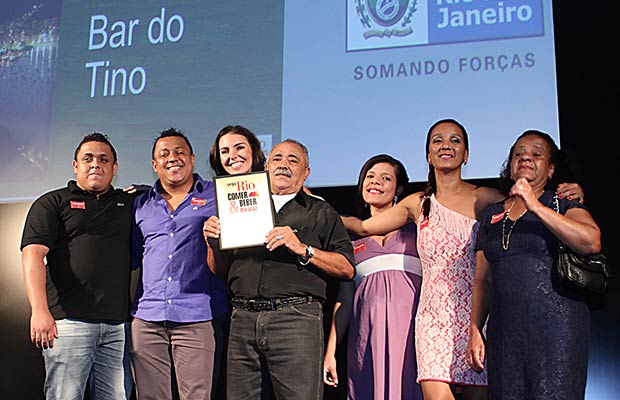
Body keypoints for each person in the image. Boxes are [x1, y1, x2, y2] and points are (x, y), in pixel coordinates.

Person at [342, 119, 584, 400]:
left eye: (455, 140)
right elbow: (361, 228)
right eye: (438, 140)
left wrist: (571, 193)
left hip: (475, 316)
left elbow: (532, 201)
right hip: (432, 319)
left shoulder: (485, 198)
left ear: (466, 154)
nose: (446, 145)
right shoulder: (416, 203)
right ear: (428, 155)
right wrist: (317, 209)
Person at [204, 139, 355, 399]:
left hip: (295, 319)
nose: (284, 164)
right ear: (265, 166)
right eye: (277, 158)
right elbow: (221, 270)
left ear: (306, 172)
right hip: (242, 319)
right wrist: (212, 243)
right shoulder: (239, 206)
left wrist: (303, 249)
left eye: (293, 160)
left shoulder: (320, 211)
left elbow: (347, 268)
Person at [466, 130, 601, 399]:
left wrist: (535, 205)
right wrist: (474, 329)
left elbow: (591, 241)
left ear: (551, 170)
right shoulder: (492, 214)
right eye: (519, 153)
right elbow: (483, 279)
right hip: (505, 334)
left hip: (557, 328)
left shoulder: (560, 201)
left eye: (536, 154)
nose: (526, 156)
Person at [20, 132, 134, 400]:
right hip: (68, 324)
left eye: (104, 159)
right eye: (88, 158)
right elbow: (32, 255)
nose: (96, 164)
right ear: (75, 165)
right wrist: (39, 311)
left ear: (114, 168)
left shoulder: (127, 203)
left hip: (116, 327)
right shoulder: (52, 202)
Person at [130, 128, 230, 399]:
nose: (172, 158)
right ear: (154, 165)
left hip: (197, 315)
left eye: (179, 152)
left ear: (192, 158)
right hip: (147, 318)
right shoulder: (140, 205)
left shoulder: (217, 196)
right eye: (164, 154)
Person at [323, 154, 424, 400]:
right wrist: (331, 351)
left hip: (413, 335)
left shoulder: (418, 230)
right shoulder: (350, 241)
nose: (375, 182)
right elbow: (345, 297)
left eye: (385, 178)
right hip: (367, 338)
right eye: (370, 176)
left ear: (399, 189)